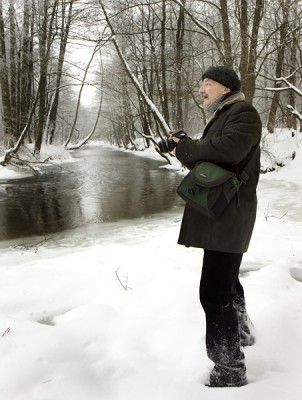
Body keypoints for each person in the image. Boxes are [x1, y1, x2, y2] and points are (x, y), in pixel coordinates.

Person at [172, 66, 262, 387]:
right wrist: (182, 148)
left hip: (230, 215)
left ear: (225, 87)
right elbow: (213, 160)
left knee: (214, 293)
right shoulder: (227, 114)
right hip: (224, 213)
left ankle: (229, 369)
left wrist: (187, 147)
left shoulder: (244, 113)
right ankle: (239, 332)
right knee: (227, 281)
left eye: (206, 83)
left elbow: (228, 151)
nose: (201, 89)